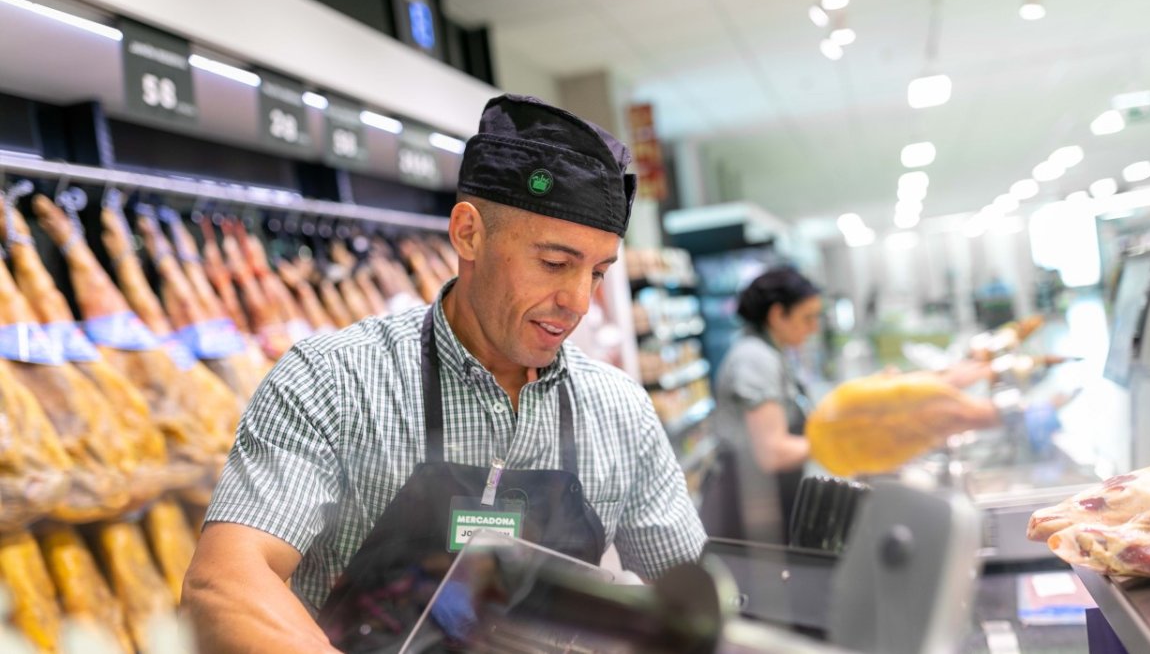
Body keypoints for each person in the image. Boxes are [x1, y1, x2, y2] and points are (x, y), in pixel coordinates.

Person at [182, 94, 707, 653]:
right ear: (468, 234)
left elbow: (690, 600)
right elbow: (225, 582)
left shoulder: (619, 409)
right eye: (555, 263)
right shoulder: (332, 382)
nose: (578, 301)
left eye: (598, 272)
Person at [702, 267, 822, 544]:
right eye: (808, 318)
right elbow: (772, 452)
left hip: (766, 501)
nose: (814, 327)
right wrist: (839, 442)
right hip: (748, 511)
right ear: (778, 314)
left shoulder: (773, 354)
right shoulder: (755, 359)